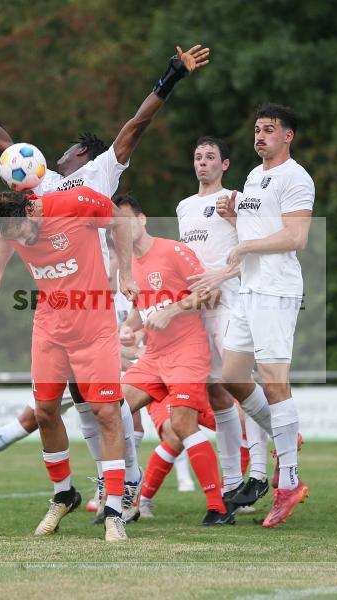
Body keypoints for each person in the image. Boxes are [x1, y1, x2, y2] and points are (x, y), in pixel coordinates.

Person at [0, 44, 209, 507]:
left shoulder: (100, 172)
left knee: (110, 402)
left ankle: (128, 480)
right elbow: (2, 143)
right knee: (83, 404)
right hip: (63, 304)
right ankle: (110, 483)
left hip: (104, 299)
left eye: (66, 148)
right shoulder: (36, 184)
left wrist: (171, 76)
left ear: (81, 152)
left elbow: (135, 125)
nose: (55, 153)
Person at [0, 183, 135, 541]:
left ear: (30, 210)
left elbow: (120, 222)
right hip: (50, 329)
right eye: (15, 237)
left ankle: (114, 511)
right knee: (45, 412)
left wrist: (125, 274)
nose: (24, 242)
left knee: (106, 413)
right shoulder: (12, 226)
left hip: (94, 327)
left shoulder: (75, 202)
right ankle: (64, 495)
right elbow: (4, 236)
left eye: (23, 233)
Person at [201, 104, 314, 528]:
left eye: (269, 129)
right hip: (249, 289)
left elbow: (296, 236)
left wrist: (246, 245)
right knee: (231, 376)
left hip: (276, 288)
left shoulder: (296, 177)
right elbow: (255, 228)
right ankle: (286, 437)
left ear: (288, 136)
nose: (260, 136)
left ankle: (289, 483)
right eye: (257, 130)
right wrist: (236, 218)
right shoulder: (252, 177)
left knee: (274, 382)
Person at [115, 194, 233, 525]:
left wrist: (173, 310)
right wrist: (128, 329)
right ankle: (125, 495)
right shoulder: (128, 268)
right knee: (112, 410)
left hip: (187, 352)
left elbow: (212, 293)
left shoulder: (173, 251)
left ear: (141, 220)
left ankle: (218, 507)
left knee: (182, 424)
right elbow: (141, 311)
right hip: (153, 357)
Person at [176, 136, 270, 509]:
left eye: (210, 156)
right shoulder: (184, 207)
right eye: (198, 156)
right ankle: (232, 484)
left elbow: (252, 253)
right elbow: (186, 261)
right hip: (197, 312)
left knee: (241, 385)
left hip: (230, 304)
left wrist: (221, 277)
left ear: (224, 164)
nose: (202, 162)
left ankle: (259, 472)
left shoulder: (234, 199)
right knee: (217, 395)